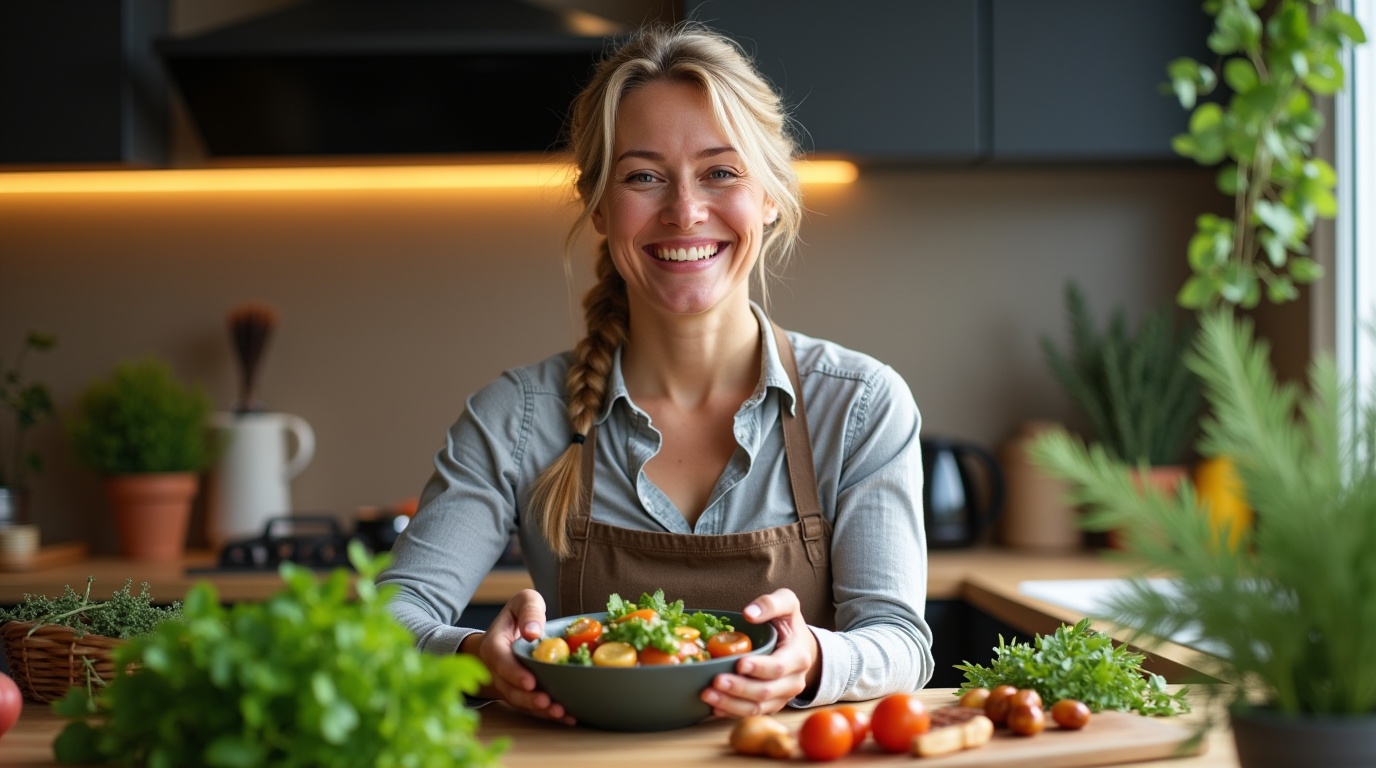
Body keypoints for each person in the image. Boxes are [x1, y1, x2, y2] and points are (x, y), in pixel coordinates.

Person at [378, 20, 933, 722]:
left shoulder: (858, 405)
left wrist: (816, 660)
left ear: (767, 195)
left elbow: (901, 643)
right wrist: (472, 656)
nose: (685, 210)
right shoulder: (516, 418)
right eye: (644, 177)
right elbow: (390, 621)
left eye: (720, 173)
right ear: (600, 206)